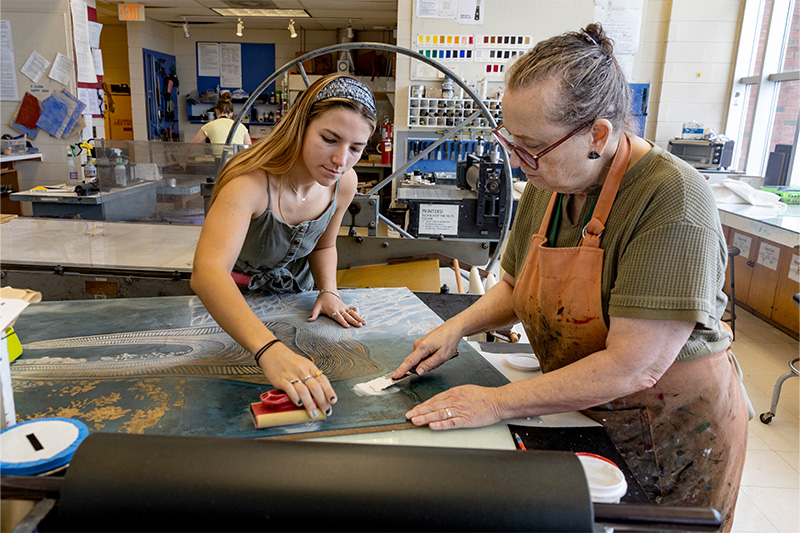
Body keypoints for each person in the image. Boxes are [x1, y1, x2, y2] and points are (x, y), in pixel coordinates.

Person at [394, 24, 748, 531]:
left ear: (597, 136)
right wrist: (455, 329)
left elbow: (634, 367)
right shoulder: (549, 180)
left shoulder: (672, 199)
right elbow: (517, 288)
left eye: (531, 145)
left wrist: (493, 401)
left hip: (666, 428)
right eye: (511, 141)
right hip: (582, 406)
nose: (518, 162)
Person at [191, 74, 376, 420]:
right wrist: (268, 349)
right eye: (329, 139)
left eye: (356, 148)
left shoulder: (344, 183)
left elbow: (324, 246)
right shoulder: (249, 181)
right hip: (233, 309)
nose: (341, 160)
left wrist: (329, 291)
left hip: (297, 304)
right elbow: (207, 273)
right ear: (300, 125)